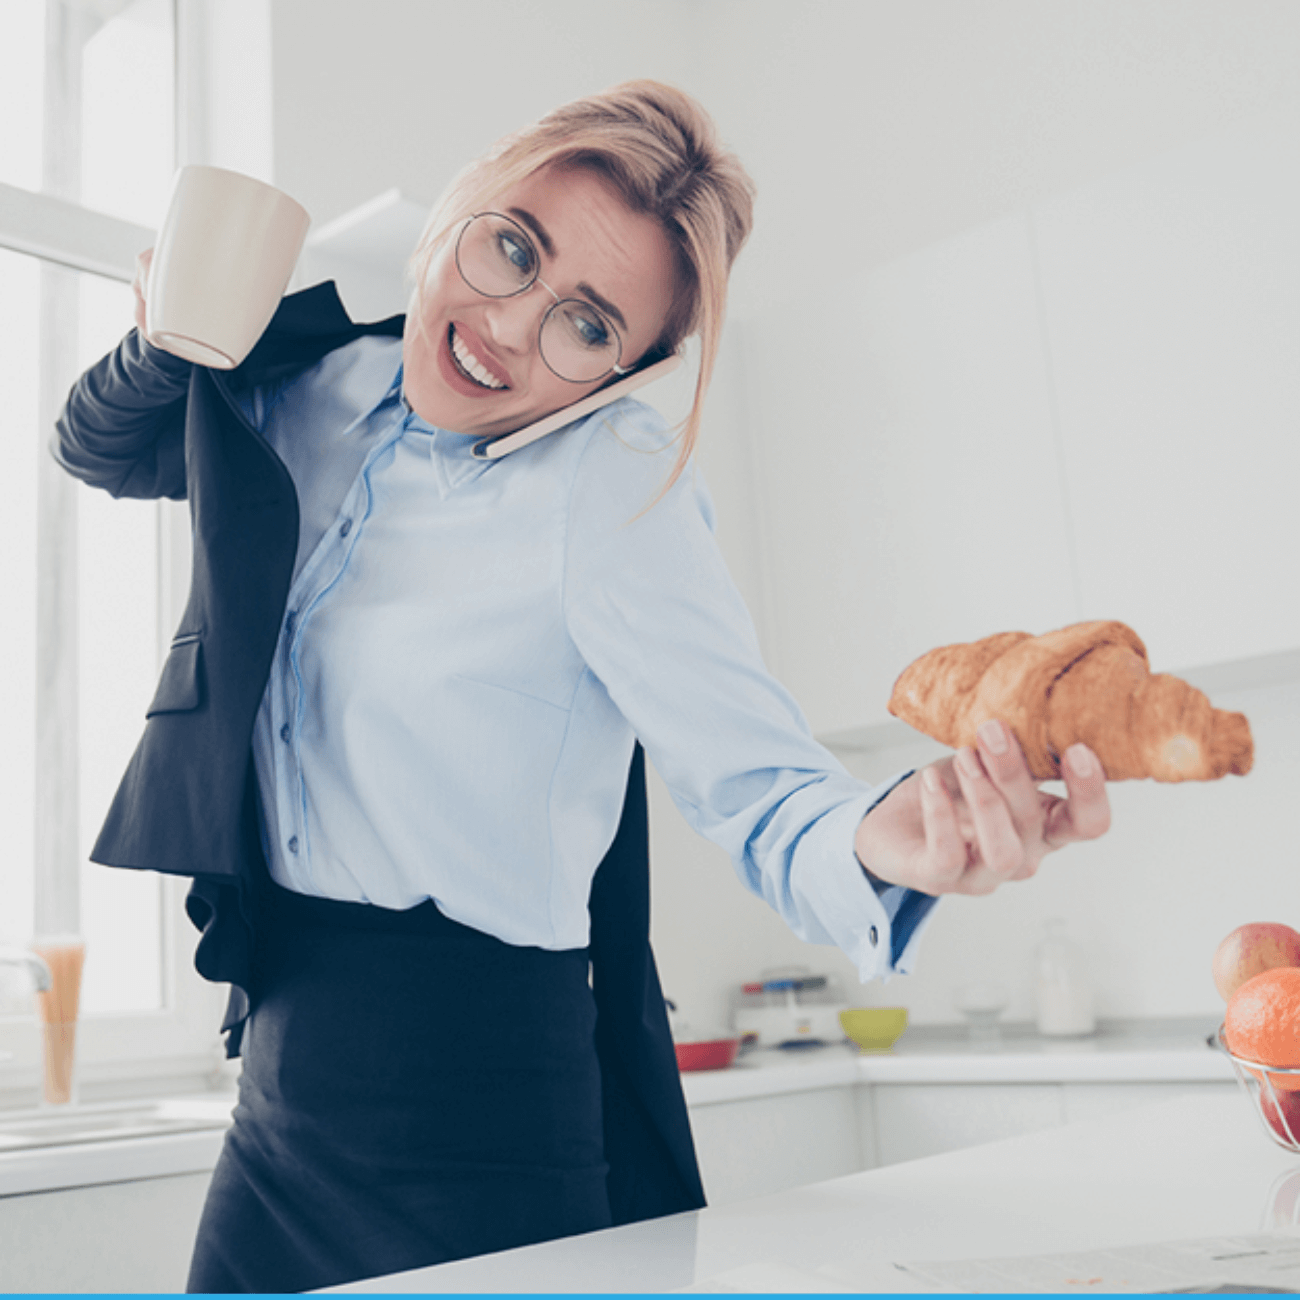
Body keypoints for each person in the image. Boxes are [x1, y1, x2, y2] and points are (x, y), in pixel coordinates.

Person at [52, 80, 1110, 1293]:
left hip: (481, 1133)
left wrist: (887, 838)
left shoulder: (606, 486)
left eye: (587, 324)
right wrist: (166, 332)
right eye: (511, 247)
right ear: (460, 207)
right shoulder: (311, 384)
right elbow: (100, 446)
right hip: (281, 1105)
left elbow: (766, 795)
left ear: (627, 370)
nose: (506, 326)